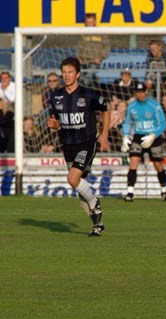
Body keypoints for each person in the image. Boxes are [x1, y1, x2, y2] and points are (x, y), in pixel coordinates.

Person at [47, 56, 110, 236]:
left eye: (70, 72)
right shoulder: (55, 96)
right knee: (81, 192)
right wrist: (54, 125)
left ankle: (95, 202)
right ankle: (98, 224)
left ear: (78, 74)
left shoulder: (89, 94)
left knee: (72, 179)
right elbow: (56, 122)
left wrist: (104, 134)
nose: (67, 76)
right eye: (64, 72)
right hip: (68, 145)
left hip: (87, 143)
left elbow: (106, 110)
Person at [121, 83, 166, 202]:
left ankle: (164, 191)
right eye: (137, 92)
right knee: (133, 162)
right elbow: (127, 122)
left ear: (146, 92)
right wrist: (125, 136)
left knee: (158, 165)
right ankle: (130, 193)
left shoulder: (154, 105)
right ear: (135, 93)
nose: (140, 94)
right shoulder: (131, 106)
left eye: (142, 92)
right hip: (138, 136)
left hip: (153, 137)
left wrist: (153, 135)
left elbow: (162, 123)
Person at [75, 13, 110, 87]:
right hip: (83, 61)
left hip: (95, 62)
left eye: (91, 22)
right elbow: (79, 47)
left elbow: (107, 47)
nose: (89, 24)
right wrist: (78, 57)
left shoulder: (101, 33)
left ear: (94, 22)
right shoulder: (82, 33)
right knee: (81, 76)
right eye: (87, 23)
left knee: (88, 77)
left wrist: (101, 58)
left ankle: (81, 88)